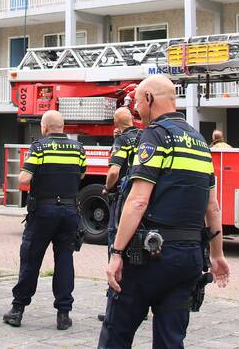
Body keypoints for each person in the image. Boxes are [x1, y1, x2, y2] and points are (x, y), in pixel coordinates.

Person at [98, 75, 230, 349]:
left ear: (149, 98)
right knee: (171, 340)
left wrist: (117, 253)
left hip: (148, 259)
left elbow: (138, 201)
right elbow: (212, 206)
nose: (136, 110)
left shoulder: (155, 135)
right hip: (189, 258)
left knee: (116, 334)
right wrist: (217, 255)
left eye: (138, 102)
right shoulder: (200, 142)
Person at [3, 110, 86, 331]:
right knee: (65, 260)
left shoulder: (39, 147)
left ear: (44, 127)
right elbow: (81, 174)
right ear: (62, 126)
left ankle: (17, 310)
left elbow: (24, 179)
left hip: (43, 212)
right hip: (69, 211)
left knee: (31, 260)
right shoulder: (78, 149)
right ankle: (63, 315)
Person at [98, 107, 141, 322]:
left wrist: (107, 188)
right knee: (138, 253)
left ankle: (114, 307)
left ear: (116, 123)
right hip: (142, 200)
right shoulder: (144, 136)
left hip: (123, 200)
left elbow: (114, 171)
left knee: (116, 248)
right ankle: (139, 306)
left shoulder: (122, 141)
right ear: (132, 119)